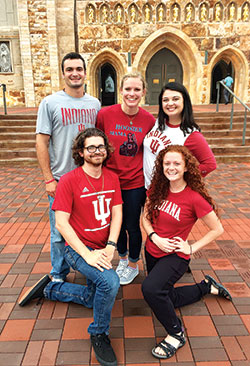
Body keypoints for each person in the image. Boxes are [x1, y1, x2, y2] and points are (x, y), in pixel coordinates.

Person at [19, 128, 122, 366]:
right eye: (91, 147)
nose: (97, 151)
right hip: (77, 250)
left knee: (94, 297)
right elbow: (61, 224)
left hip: (102, 247)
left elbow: (117, 213)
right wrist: (87, 254)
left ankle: (50, 290)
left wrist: (111, 245)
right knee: (110, 283)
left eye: (101, 147)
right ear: (80, 152)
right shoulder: (68, 180)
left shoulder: (112, 177)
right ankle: (98, 332)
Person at [141, 145, 232, 360]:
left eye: (176, 164)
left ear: (186, 168)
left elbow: (218, 228)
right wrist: (154, 237)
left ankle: (176, 332)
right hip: (152, 249)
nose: (171, 167)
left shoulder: (194, 198)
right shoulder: (157, 187)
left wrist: (191, 247)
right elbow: (144, 216)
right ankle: (206, 287)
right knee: (166, 295)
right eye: (167, 163)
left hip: (175, 256)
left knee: (151, 290)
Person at [36, 52, 101, 282]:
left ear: (85, 72)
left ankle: (89, 267)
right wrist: (48, 179)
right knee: (58, 232)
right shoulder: (50, 103)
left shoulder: (95, 103)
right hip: (61, 178)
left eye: (79, 69)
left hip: (88, 177)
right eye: (70, 69)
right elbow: (41, 142)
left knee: (89, 226)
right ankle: (59, 274)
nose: (75, 73)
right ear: (63, 73)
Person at [96, 72, 155, 285]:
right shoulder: (105, 115)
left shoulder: (148, 120)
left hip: (135, 183)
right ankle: (122, 258)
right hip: (110, 181)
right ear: (120, 90)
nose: (132, 93)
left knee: (131, 224)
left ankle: (133, 263)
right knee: (115, 225)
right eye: (128, 89)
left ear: (143, 92)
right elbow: (98, 143)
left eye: (137, 89)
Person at [143, 82, 216, 190]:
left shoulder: (191, 135)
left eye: (175, 99)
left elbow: (210, 164)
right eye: (165, 100)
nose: (170, 103)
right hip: (148, 187)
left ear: (184, 101)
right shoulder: (158, 123)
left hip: (166, 192)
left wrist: (182, 178)